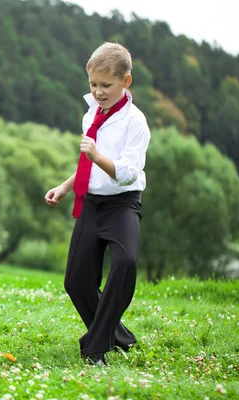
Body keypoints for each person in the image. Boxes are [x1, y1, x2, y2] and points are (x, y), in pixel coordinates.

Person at [44, 42, 150, 366]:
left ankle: (95, 348)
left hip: (122, 205)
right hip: (90, 202)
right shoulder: (91, 113)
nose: (99, 91)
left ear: (125, 82)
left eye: (106, 85)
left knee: (126, 263)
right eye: (93, 84)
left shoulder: (135, 122)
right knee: (75, 281)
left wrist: (96, 155)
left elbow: (129, 173)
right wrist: (64, 187)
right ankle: (120, 337)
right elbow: (87, 167)